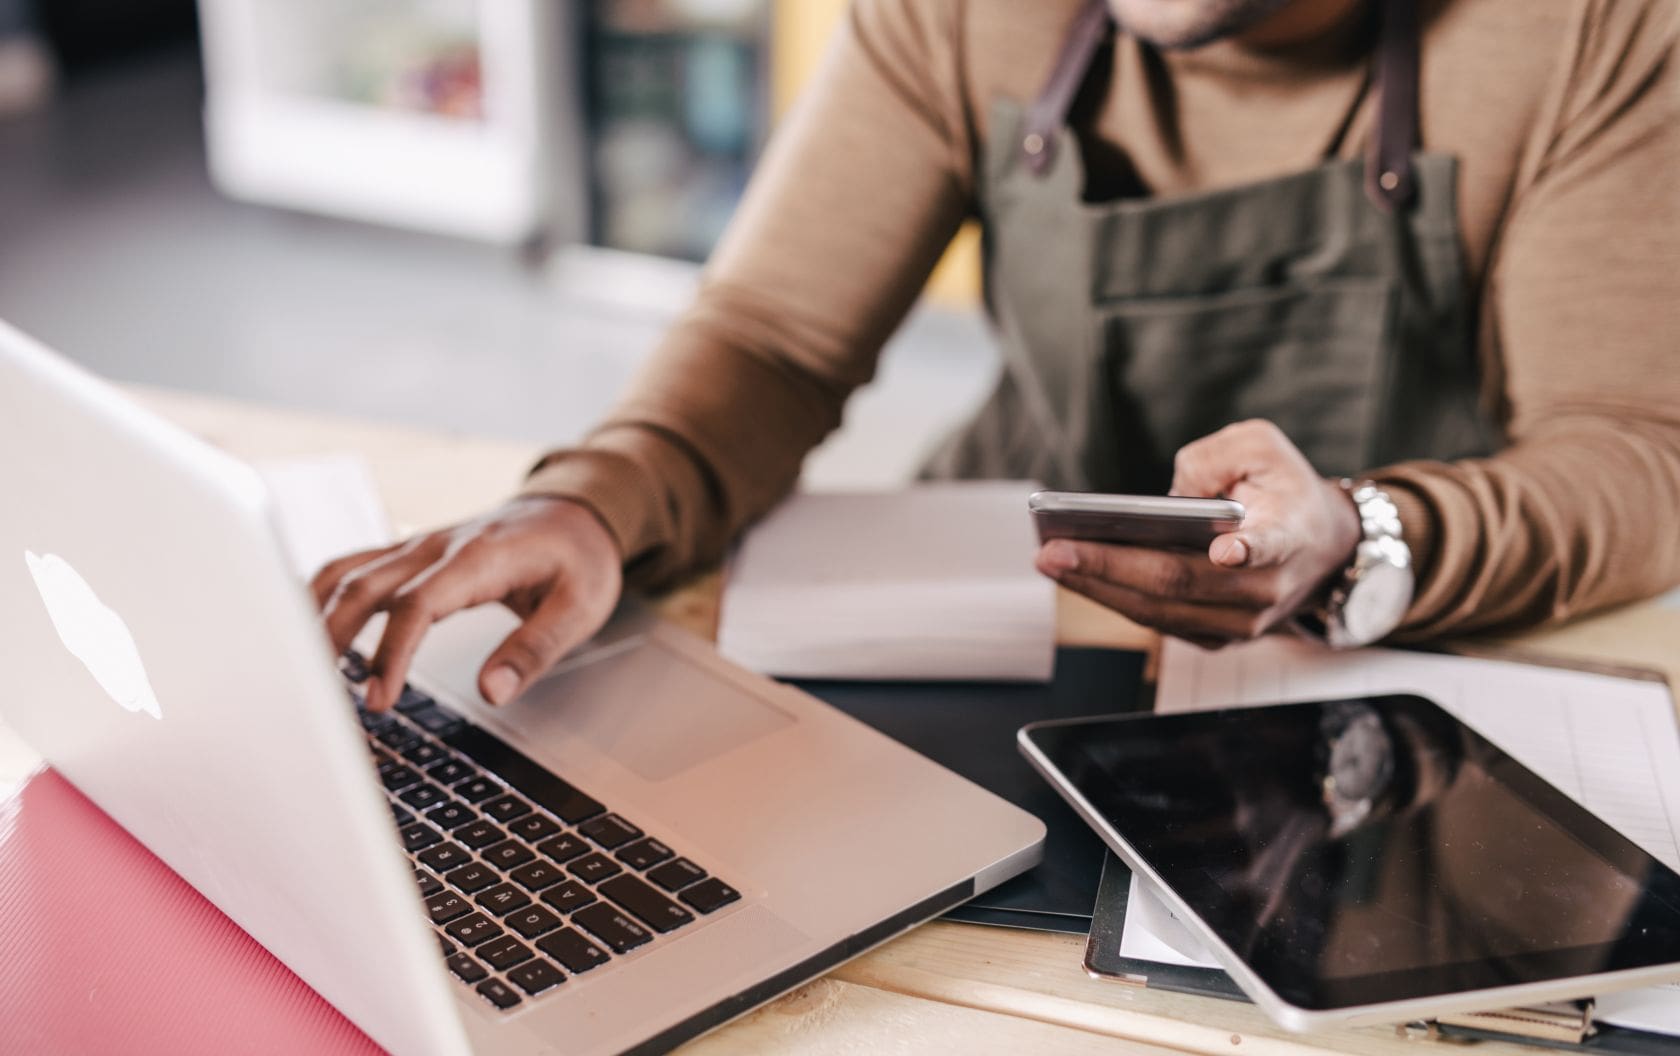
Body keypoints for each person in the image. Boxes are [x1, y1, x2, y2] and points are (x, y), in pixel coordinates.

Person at [315, 0, 1680, 713]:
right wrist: (601, 496)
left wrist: (1365, 540)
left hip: (1374, 657)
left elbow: (1635, 450)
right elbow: (774, 336)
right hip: (1001, 613)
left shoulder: (1588, 28)